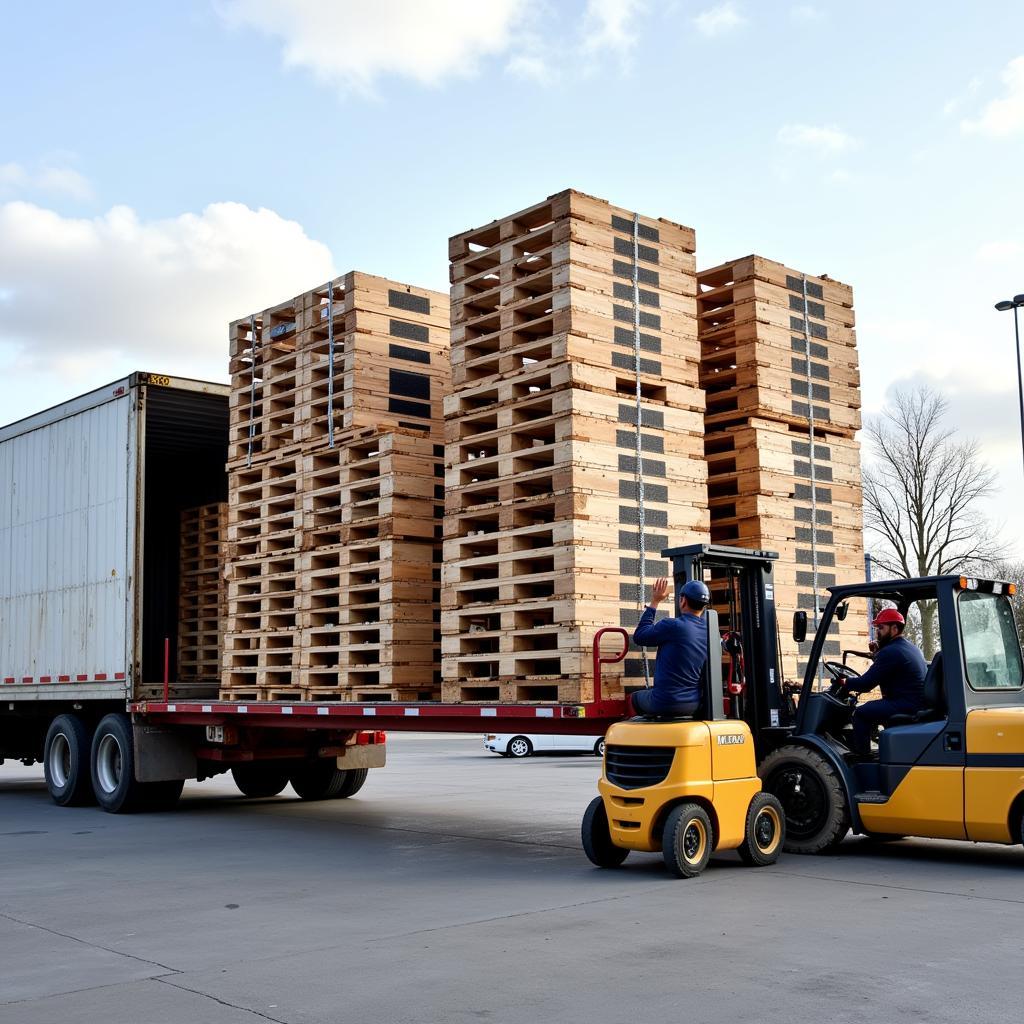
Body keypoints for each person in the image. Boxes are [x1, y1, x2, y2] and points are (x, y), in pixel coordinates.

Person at [840, 608, 927, 753]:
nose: (877, 632)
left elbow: (865, 684)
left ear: (894, 628)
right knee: (872, 708)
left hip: (906, 704)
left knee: (860, 713)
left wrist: (845, 682)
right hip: (916, 702)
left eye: (881, 628)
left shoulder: (890, 652)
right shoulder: (909, 647)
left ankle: (862, 758)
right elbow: (888, 666)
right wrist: (878, 652)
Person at [630, 576, 712, 717]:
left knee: (633, 698)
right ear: (704, 605)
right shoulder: (710, 631)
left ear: (683, 600)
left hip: (666, 702)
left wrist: (655, 601)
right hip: (694, 704)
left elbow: (640, 636)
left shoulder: (672, 625)